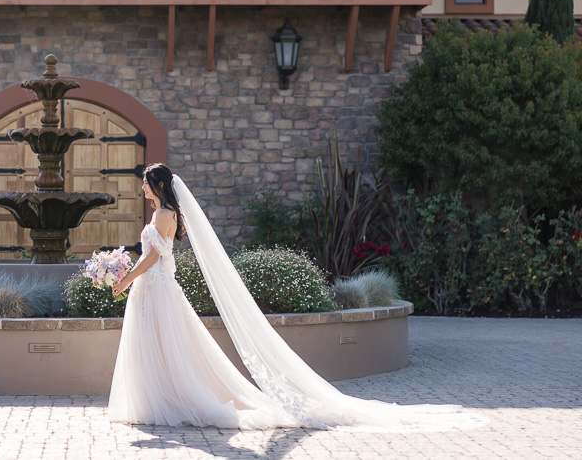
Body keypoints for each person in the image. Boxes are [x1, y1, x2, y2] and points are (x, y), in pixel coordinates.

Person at [108, 163, 486, 430]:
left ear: (156, 185)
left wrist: (124, 278)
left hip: (155, 288)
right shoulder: (168, 213)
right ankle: (159, 399)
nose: (142, 188)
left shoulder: (161, 217)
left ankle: (165, 401)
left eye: (145, 184)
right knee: (165, 344)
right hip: (159, 290)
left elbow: (153, 256)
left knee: (161, 343)